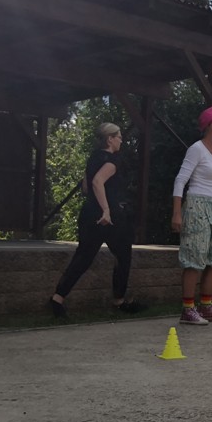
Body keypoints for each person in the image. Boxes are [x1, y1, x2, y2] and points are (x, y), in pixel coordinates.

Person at [49, 123, 144, 317]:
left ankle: (57, 299)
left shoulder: (93, 158)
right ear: (110, 139)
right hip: (109, 216)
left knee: (83, 257)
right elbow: (97, 182)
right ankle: (119, 301)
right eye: (118, 137)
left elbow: (86, 187)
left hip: (90, 213)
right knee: (123, 255)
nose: (121, 140)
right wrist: (106, 210)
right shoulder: (113, 160)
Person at [172, 106, 212, 325]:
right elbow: (181, 180)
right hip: (196, 206)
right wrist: (177, 213)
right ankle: (188, 309)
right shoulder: (196, 149)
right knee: (194, 258)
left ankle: (206, 306)